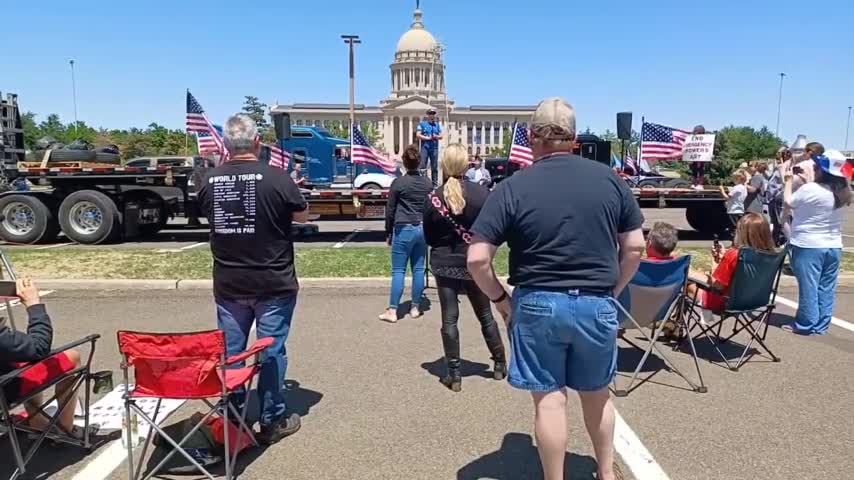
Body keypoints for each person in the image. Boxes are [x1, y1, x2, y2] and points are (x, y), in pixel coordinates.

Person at [467, 97, 645, 480]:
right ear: (575, 137)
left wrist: (500, 299)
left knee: (549, 401)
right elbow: (634, 247)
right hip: (596, 301)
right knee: (598, 396)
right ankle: (607, 473)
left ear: (531, 137)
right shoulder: (610, 180)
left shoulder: (513, 187)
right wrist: (612, 290)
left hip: (537, 302)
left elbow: (477, 259)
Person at [198, 114, 309, 444]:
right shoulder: (278, 178)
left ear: (228, 146)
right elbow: (301, 215)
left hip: (230, 281)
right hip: (273, 280)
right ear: (258, 143)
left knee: (231, 351)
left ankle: (230, 415)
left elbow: (208, 215)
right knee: (271, 350)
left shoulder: (209, 180)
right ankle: (271, 418)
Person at [423, 144, 506, 392]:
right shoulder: (482, 194)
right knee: (485, 316)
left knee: (449, 318)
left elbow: (429, 237)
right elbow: (495, 229)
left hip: (444, 262)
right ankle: (500, 364)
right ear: (467, 164)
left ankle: (454, 374)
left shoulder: (434, 197)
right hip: (474, 262)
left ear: (444, 166)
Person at [0, 278, 89, 438]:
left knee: (24, 356)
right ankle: (65, 429)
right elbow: (38, 347)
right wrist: (34, 305)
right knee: (71, 357)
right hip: (5, 390)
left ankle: (37, 422)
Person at [783, 150, 852, 335]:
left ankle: (806, 323)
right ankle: (821, 324)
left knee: (809, 286)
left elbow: (789, 202)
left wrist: (788, 181)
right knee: (827, 287)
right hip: (833, 244)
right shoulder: (845, 192)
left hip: (808, 244)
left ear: (821, 169)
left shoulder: (810, 189)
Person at [379, 144, 432, 323]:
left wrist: (388, 232)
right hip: (422, 227)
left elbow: (390, 210)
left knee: (399, 270)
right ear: (419, 162)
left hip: (403, 227)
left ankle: (393, 310)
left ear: (404, 162)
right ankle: (415, 307)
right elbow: (431, 208)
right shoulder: (427, 183)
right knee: (418, 269)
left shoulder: (399, 183)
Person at [686, 213, 777, 312]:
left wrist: (715, 261)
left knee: (685, 279)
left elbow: (717, 286)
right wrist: (724, 258)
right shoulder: (770, 255)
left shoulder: (733, 255)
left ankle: (674, 323)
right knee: (696, 275)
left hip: (726, 302)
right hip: (755, 301)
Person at [417, 108, 443, 186]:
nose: (432, 115)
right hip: (425, 147)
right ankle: (423, 183)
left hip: (434, 148)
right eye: (430, 114)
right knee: (422, 165)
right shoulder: (422, 124)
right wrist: (427, 138)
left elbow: (441, 136)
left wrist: (436, 136)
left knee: (434, 166)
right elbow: (418, 135)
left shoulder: (437, 125)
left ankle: (434, 184)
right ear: (428, 115)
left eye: (433, 114)